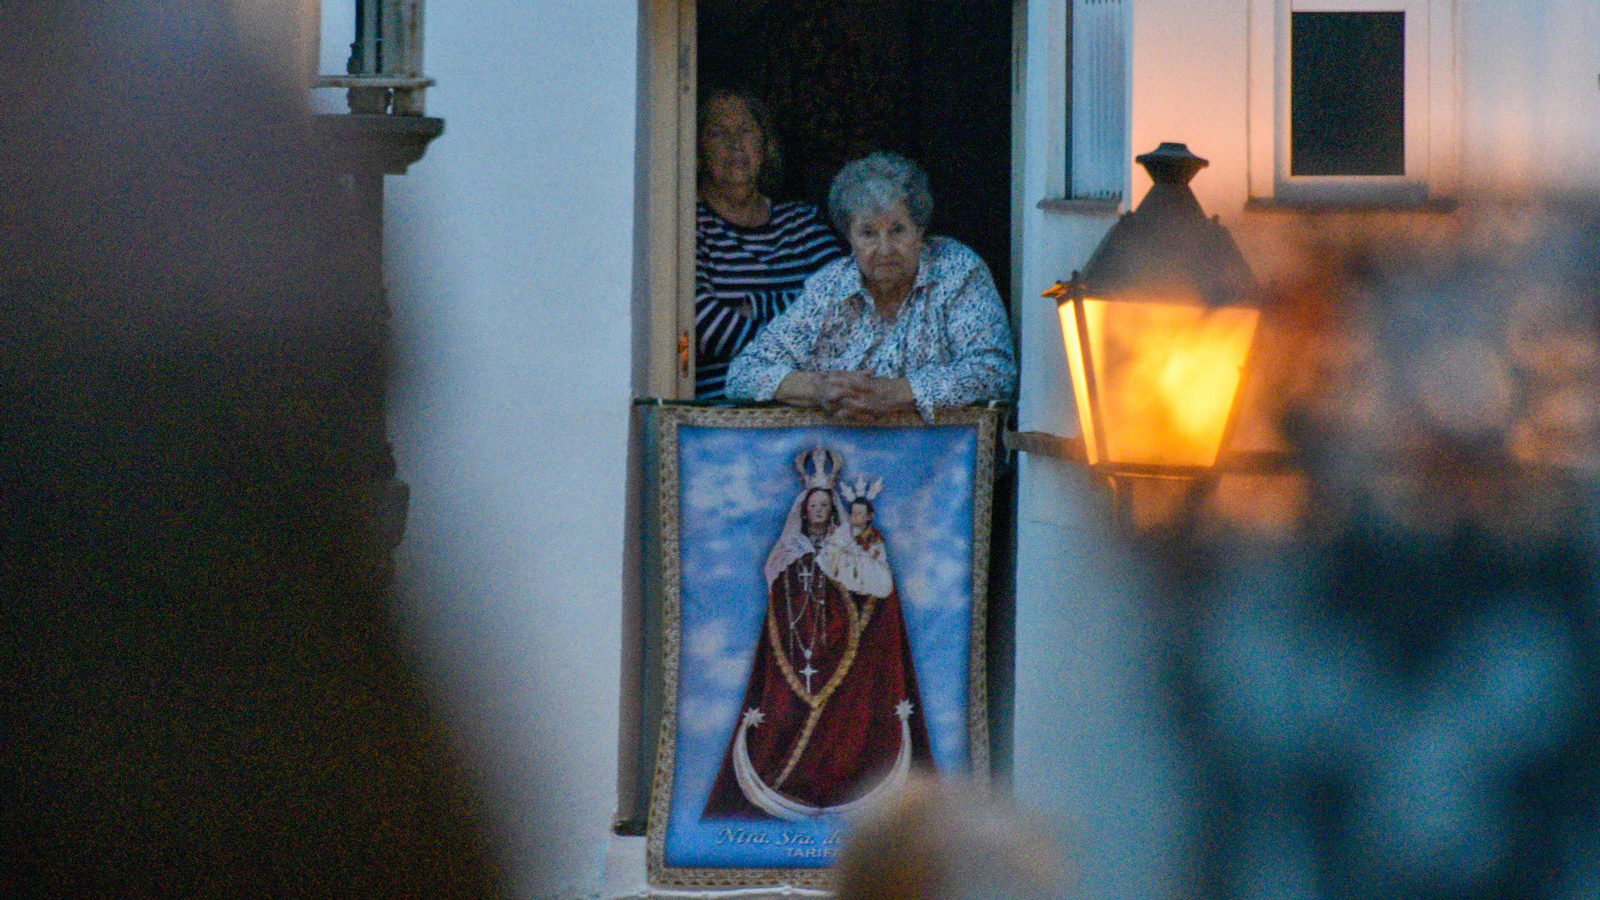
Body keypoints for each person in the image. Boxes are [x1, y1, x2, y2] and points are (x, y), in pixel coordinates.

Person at [702, 448, 932, 820]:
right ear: (804, 510)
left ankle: (843, 778)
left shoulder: (849, 547)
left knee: (845, 719)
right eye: (814, 505)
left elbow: (875, 590)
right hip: (797, 650)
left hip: (845, 647)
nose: (820, 510)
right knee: (786, 713)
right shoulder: (789, 551)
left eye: (826, 504)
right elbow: (779, 590)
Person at [725, 152, 1017, 421]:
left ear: (920, 230)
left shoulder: (957, 271)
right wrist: (818, 388)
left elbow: (995, 372)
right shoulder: (830, 287)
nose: (885, 249)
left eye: (898, 230)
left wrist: (896, 393)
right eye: (868, 233)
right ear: (849, 238)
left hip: (941, 457)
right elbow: (744, 373)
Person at [695, 87, 846, 399]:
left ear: (764, 146)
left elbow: (845, 303)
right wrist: (798, 325)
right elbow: (701, 323)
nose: (735, 144)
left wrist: (758, 305)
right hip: (722, 410)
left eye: (746, 131)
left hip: (809, 408)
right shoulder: (689, 226)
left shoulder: (802, 222)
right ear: (698, 148)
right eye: (718, 133)